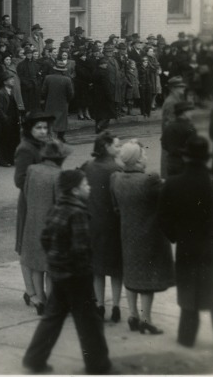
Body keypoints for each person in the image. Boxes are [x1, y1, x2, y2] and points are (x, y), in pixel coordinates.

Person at [21, 169, 113, 375]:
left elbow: (45, 238)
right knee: (89, 323)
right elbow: (81, 248)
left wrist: (56, 260)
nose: (88, 187)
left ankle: (34, 359)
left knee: (52, 318)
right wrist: (85, 270)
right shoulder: (78, 212)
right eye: (85, 184)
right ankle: (98, 365)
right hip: (77, 276)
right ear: (74, 190)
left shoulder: (57, 208)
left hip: (59, 273)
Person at [158, 137, 213, 349]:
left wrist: (176, 236)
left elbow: (163, 218)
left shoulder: (173, 183)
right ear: (206, 159)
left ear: (185, 157)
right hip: (212, 247)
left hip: (186, 246)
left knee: (188, 294)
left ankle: (187, 337)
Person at [111, 139, 175, 335]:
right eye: (143, 154)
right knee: (147, 278)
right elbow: (166, 199)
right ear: (137, 160)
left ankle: (132, 315)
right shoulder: (149, 180)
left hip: (127, 232)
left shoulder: (116, 179)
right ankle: (146, 319)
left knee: (131, 274)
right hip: (148, 234)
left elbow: (115, 207)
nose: (146, 156)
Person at [20, 139, 72, 316]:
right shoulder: (59, 176)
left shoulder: (32, 170)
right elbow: (61, 204)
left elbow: (26, 194)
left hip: (32, 223)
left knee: (35, 264)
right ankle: (51, 302)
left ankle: (39, 299)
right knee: (50, 268)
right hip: (51, 226)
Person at [81, 132, 124, 323]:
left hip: (93, 224)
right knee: (116, 269)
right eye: (117, 146)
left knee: (97, 268)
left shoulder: (88, 167)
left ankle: (99, 304)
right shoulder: (117, 169)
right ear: (106, 147)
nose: (119, 149)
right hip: (113, 225)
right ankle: (115, 306)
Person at [14, 111, 54, 309]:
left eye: (45, 127)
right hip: (31, 203)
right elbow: (19, 180)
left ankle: (38, 291)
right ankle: (31, 293)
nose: (43, 131)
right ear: (29, 130)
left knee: (40, 249)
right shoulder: (25, 148)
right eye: (38, 127)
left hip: (46, 202)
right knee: (27, 247)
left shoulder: (46, 144)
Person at [161, 101, 198, 177]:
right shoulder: (189, 128)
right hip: (185, 164)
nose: (192, 113)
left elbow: (163, 143)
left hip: (171, 163)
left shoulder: (169, 127)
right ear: (184, 113)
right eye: (190, 111)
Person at [0, 71, 21, 166]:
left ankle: (11, 159)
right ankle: (3, 160)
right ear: (5, 82)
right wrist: (5, 119)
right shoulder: (0, 93)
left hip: (12, 121)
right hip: (5, 121)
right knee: (4, 141)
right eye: (10, 79)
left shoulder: (10, 92)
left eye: (13, 79)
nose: (13, 81)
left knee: (12, 140)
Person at [41, 60, 74, 142]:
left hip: (50, 102)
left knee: (51, 119)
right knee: (62, 120)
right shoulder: (67, 79)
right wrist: (68, 100)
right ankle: (60, 136)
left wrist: (45, 99)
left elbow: (43, 91)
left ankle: (52, 136)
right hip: (62, 102)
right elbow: (70, 93)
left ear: (55, 69)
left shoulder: (48, 78)